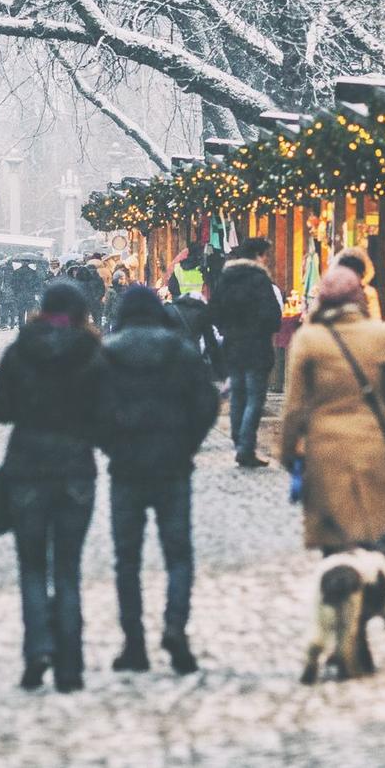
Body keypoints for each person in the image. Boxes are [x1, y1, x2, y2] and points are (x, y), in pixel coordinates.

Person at [90, 284, 219, 675]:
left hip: (126, 468)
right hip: (173, 466)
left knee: (127, 559)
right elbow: (206, 403)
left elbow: (93, 410)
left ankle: (134, 644)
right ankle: (175, 629)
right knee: (178, 555)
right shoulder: (180, 351)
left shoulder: (107, 354)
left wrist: (112, 445)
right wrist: (188, 443)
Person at [0, 281, 106, 692]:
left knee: (33, 567)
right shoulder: (92, 353)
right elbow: (106, 413)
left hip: (27, 468)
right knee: (68, 569)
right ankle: (70, 665)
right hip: (75, 470)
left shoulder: (21, 350)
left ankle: (37, 648)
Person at [279, 266, 385, 553]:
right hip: (372, 445)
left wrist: (288, 451)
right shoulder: (379, 335)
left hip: (325, 449)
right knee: (372, 535)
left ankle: (339, 578)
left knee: (334, 541)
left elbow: (295, 405)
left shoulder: (308, 339)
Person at [212, 237, 282, 469]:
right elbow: (273, 316)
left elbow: (215, 312)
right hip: (256, 347)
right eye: (266, 255)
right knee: (254, 398)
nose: (267, 260)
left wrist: (228, 330)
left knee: (238, 395)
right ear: (258, 256)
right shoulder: (259, 279)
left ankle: (238, 440)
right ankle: (246, 447)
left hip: (233, 346)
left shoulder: (226, 278)